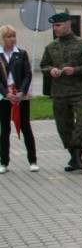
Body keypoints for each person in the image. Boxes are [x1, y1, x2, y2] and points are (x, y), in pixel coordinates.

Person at [39, 12, 82, 171]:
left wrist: (75, 70)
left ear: (67, 25)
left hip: (78, 91)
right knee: (64, 125)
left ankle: (78, 152)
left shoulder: (81, 44)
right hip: (59, 92)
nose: (56, 29)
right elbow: (43, 66)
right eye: (54, 26)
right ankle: (74, 157)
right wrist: (50, 70)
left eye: (58, 25)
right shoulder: (51, 47)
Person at [0, 25, 38, 173]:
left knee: (25, 127)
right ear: (3, 38)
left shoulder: (21, 54)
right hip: (4, 96)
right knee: (5, 128)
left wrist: (21, 92)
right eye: (9, 36)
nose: (12, 39)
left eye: (14, 36)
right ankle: (4, 162)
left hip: (20, 96)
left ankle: (33, 160)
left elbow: (28, 74)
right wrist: (5, 93)